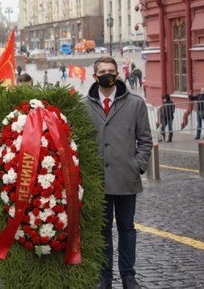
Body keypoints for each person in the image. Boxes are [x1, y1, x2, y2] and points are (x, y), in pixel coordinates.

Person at [81, 56, 152, 289]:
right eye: (102, 71)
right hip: (97, 181)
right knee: (102, 231)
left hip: (125, 177)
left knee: (127, 228)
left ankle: (128, 276)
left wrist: (137, 165)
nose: (107, 74)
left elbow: (145, 140)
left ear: (117, 75)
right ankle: (104, 276)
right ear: (95, 76)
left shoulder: (135, 104)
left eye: (111, 71)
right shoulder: (83, 105)